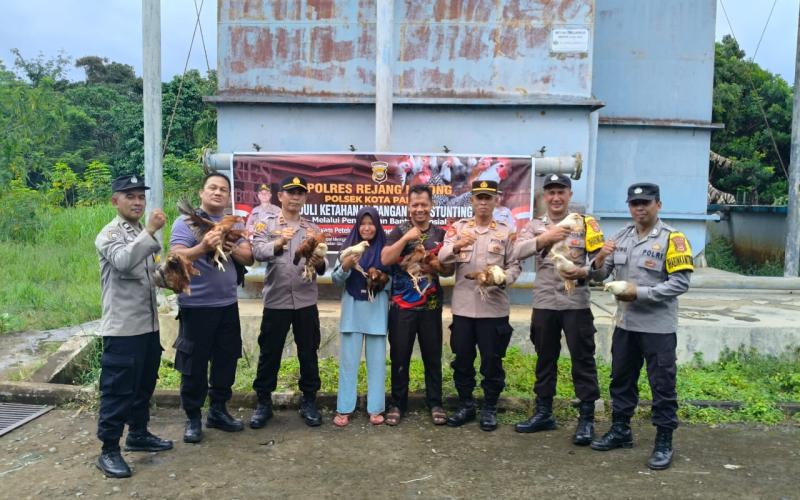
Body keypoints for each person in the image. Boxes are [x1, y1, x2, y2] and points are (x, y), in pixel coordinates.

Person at [590, 182, 693, 471]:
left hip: (658, 328)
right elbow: (600, 275)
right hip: (626, 324)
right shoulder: (620, 237)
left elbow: (680, 283)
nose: (640, 208)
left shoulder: (673, 239)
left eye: (646, 203)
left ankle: (664, 440)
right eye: (635, 204)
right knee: (621, 379)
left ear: (658, 205)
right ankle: (621, 430)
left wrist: (640, 293)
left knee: (662, 385)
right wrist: (599, 258)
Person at [512, 174, 606, 445]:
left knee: (583, 359)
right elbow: (517, 252)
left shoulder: (586, 224)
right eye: (551, 192)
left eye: (560, 192)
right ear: (544, 196)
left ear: (569, 195)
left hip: (575, 303)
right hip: (544, 304)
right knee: (545, 358)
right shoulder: (535, 225)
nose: (555, 198)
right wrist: (545, 238)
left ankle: (586, 419)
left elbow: (602, 268)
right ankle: (544, 413)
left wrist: (584, 271)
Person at [94, 174, 172, 478]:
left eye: (141, 196)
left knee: (143, 385)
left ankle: (138, 433)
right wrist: (151, 230)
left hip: (148, 326)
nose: (138, 202)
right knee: (117, 390)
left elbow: (148, 275)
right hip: (123, 329)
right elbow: (124, 262)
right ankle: (109, 450)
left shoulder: (140, 232)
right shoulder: (109, 234)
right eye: (130, 196)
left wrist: (172, 276)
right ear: (115, 201)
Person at [169, 172, 254, 444]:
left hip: (227, 304)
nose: (218, 193)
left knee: (226, 359)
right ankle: (193, 417)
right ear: (202, 193)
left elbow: (248, 257)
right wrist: (204, 246)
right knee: (194, 364)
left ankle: (218, 410)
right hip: (196, 305)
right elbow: (175, 255)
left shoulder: (232, 223)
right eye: (213, 188)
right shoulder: (185, 223)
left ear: (229, 197)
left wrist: (229, 246)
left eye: (223, 190)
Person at [439, 180, 521, 431]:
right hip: (464, 309)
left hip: (493, 310)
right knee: (462, 360)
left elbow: (515, 266)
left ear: (496, 201)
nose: (483, 202)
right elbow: (442, 257)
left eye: (488, 198)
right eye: (479, 198)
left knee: (492, 361)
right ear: (472, 201)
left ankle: (489, 407)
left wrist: (502, 279)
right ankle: (466, 404)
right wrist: (457, 246)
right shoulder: (458, 228)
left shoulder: (506, 232)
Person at [250, 176, 327, 428]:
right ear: (280, 196)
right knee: (270, 352)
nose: (295, 197)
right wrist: (278, 243)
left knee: (309, 351)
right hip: (276, 300)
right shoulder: (267, 224)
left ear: (305, 198)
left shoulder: (312, 228)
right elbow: (256, 251)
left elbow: (323, 263)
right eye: (290, 192)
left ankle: (309, 400)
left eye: (300, 193)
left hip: (305, 301)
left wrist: (320, 262)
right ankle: (263, 402)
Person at [380, 184, 453, 426]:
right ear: (408, 206)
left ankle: (435, 403)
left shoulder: (441, 234)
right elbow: (386, 259)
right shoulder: (398, 230)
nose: (419, 209)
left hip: (431, 306)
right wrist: (406, 239)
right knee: (400, 356)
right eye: (415, 205)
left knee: (432, 357)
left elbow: (449, 270)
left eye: (424, 204)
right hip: (402, 307)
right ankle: (397, 404)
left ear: (431, 206)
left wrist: (437, 266)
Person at [331, 207, 391, 426]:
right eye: (363, 223)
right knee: (348, 364)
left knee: (377, 364)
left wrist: (381, 278)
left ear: (377, 225)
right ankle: (345, 408)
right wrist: (346, 266)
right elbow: (335, 279)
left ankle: (376, 408)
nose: (367, 228)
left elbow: (394, 283)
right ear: (357, 226)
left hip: (377, 312)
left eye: (371, 223)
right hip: (352, 313)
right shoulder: (348, 248)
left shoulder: (386, 250)